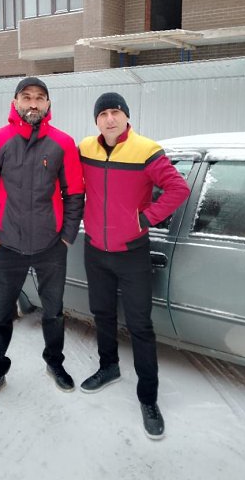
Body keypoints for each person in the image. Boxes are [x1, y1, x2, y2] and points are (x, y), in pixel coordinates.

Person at [78, 92, 190, 439]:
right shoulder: (85, 149)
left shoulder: (145, 150)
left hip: (132, 253)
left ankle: (148, 398)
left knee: (140, 325)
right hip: (95, 249)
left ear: (127, 117)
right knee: (102, 314)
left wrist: (145, 218)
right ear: (96, 121)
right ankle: (109, 367)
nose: (110, 119)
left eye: (116, 112)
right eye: (103, 114)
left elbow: (178, 188)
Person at [0, 77, 84, 408]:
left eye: (39, 97)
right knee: (0, 313)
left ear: (48, 104)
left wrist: (66, 238)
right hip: (8, 246)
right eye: (26, 97)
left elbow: (75, 193)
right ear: (15, 102)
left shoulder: (63, 143)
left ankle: (55, 363)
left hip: (51, 247)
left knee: (54, 311)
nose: (33, 103)